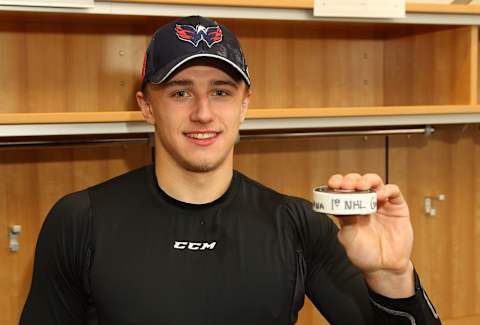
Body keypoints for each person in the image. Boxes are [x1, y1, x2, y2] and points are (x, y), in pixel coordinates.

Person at [20, 15, 441, 325]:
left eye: (221, 91)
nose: (203, 113)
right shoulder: (81, 221)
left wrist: (392, 274)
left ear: (244, 105)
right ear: (146, 106)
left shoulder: (297, 224)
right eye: (180, 91)